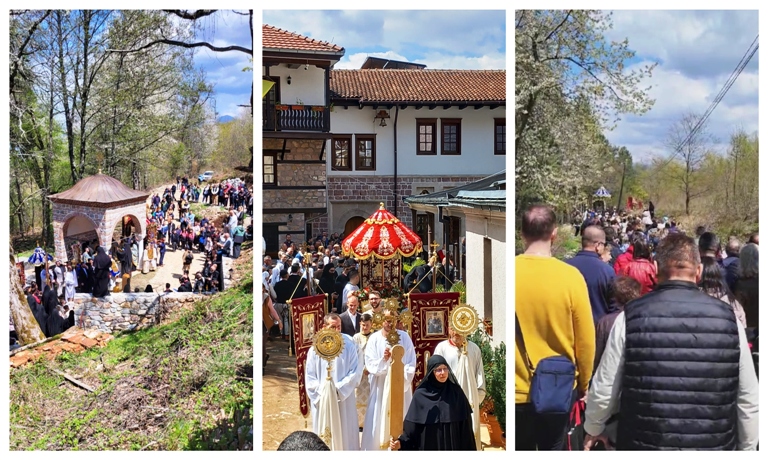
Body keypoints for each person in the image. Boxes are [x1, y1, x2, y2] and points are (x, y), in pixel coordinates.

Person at [584, 233, 759, 450]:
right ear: (698, 271)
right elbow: (748, 399)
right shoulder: (728, 319)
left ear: (656, 268)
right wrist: (748, 448)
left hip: (645, 443)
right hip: (714, 444)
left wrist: (593, 427)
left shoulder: (630, 316)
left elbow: (605, 386)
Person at [515, 204, 595, 451]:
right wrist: (584, 384)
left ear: (521, 234)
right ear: (554, 234)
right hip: (557, 387)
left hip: (517, 390)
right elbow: (585, 340)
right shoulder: (570, 277)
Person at [389, 355, 476, 451]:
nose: (443, 373)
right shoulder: (420, 395)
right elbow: (411, 429)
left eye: (445, 369)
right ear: (431, 372)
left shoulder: (456, 393)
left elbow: (466, 429)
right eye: (438, 370)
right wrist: (401, 443)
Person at [305, 313, 363, 450]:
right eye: (333, 327)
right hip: (322, 400)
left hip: (343, 399)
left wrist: (337, 391)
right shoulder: (314, 349)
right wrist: (324, 393)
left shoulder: (349, 344)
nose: (337, 330)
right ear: (324, 327)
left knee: (345, 434)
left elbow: (355, 371)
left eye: (339, 327)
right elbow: (310, 376)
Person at [361, 308, 417, 450]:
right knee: (378, 421)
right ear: (380, 320)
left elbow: (411, 363)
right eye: (386, 320)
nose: (389, 323)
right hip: (380, 389)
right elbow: (370, 364)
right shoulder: (374, 339)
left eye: (392, 320)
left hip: (400, 390)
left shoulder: (404, 337)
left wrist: (398, 371)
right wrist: (385, 361)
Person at [433, 326, 486, 450]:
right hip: (448, 400)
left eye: (460, 328)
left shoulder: (474, 349)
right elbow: (435, 373)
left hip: (470, 400)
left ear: (467, 327)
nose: (456, 332)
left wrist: (477, 397)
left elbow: (480, 374)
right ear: (449, 329)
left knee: (470, 435)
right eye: (453, 328)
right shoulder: (442, 348)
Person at [566, 225, 616, 323]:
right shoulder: (607, 271)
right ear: (598, 245)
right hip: (596, 327)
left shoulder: (565, 266)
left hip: (569, 327)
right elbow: (613, 305)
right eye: (604, 244)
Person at [353, 313, 374, 429]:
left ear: (371, 324)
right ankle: (358, 422)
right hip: (359, 373)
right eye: (362, 325)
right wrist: (361, 368)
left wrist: (369, 367)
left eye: (367, 325)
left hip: (371, 373)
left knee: (370, 396)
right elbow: (354, 355)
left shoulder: (374, 337)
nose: (365, 327)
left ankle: (368, 422)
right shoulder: (356, 337)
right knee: (358, 396)